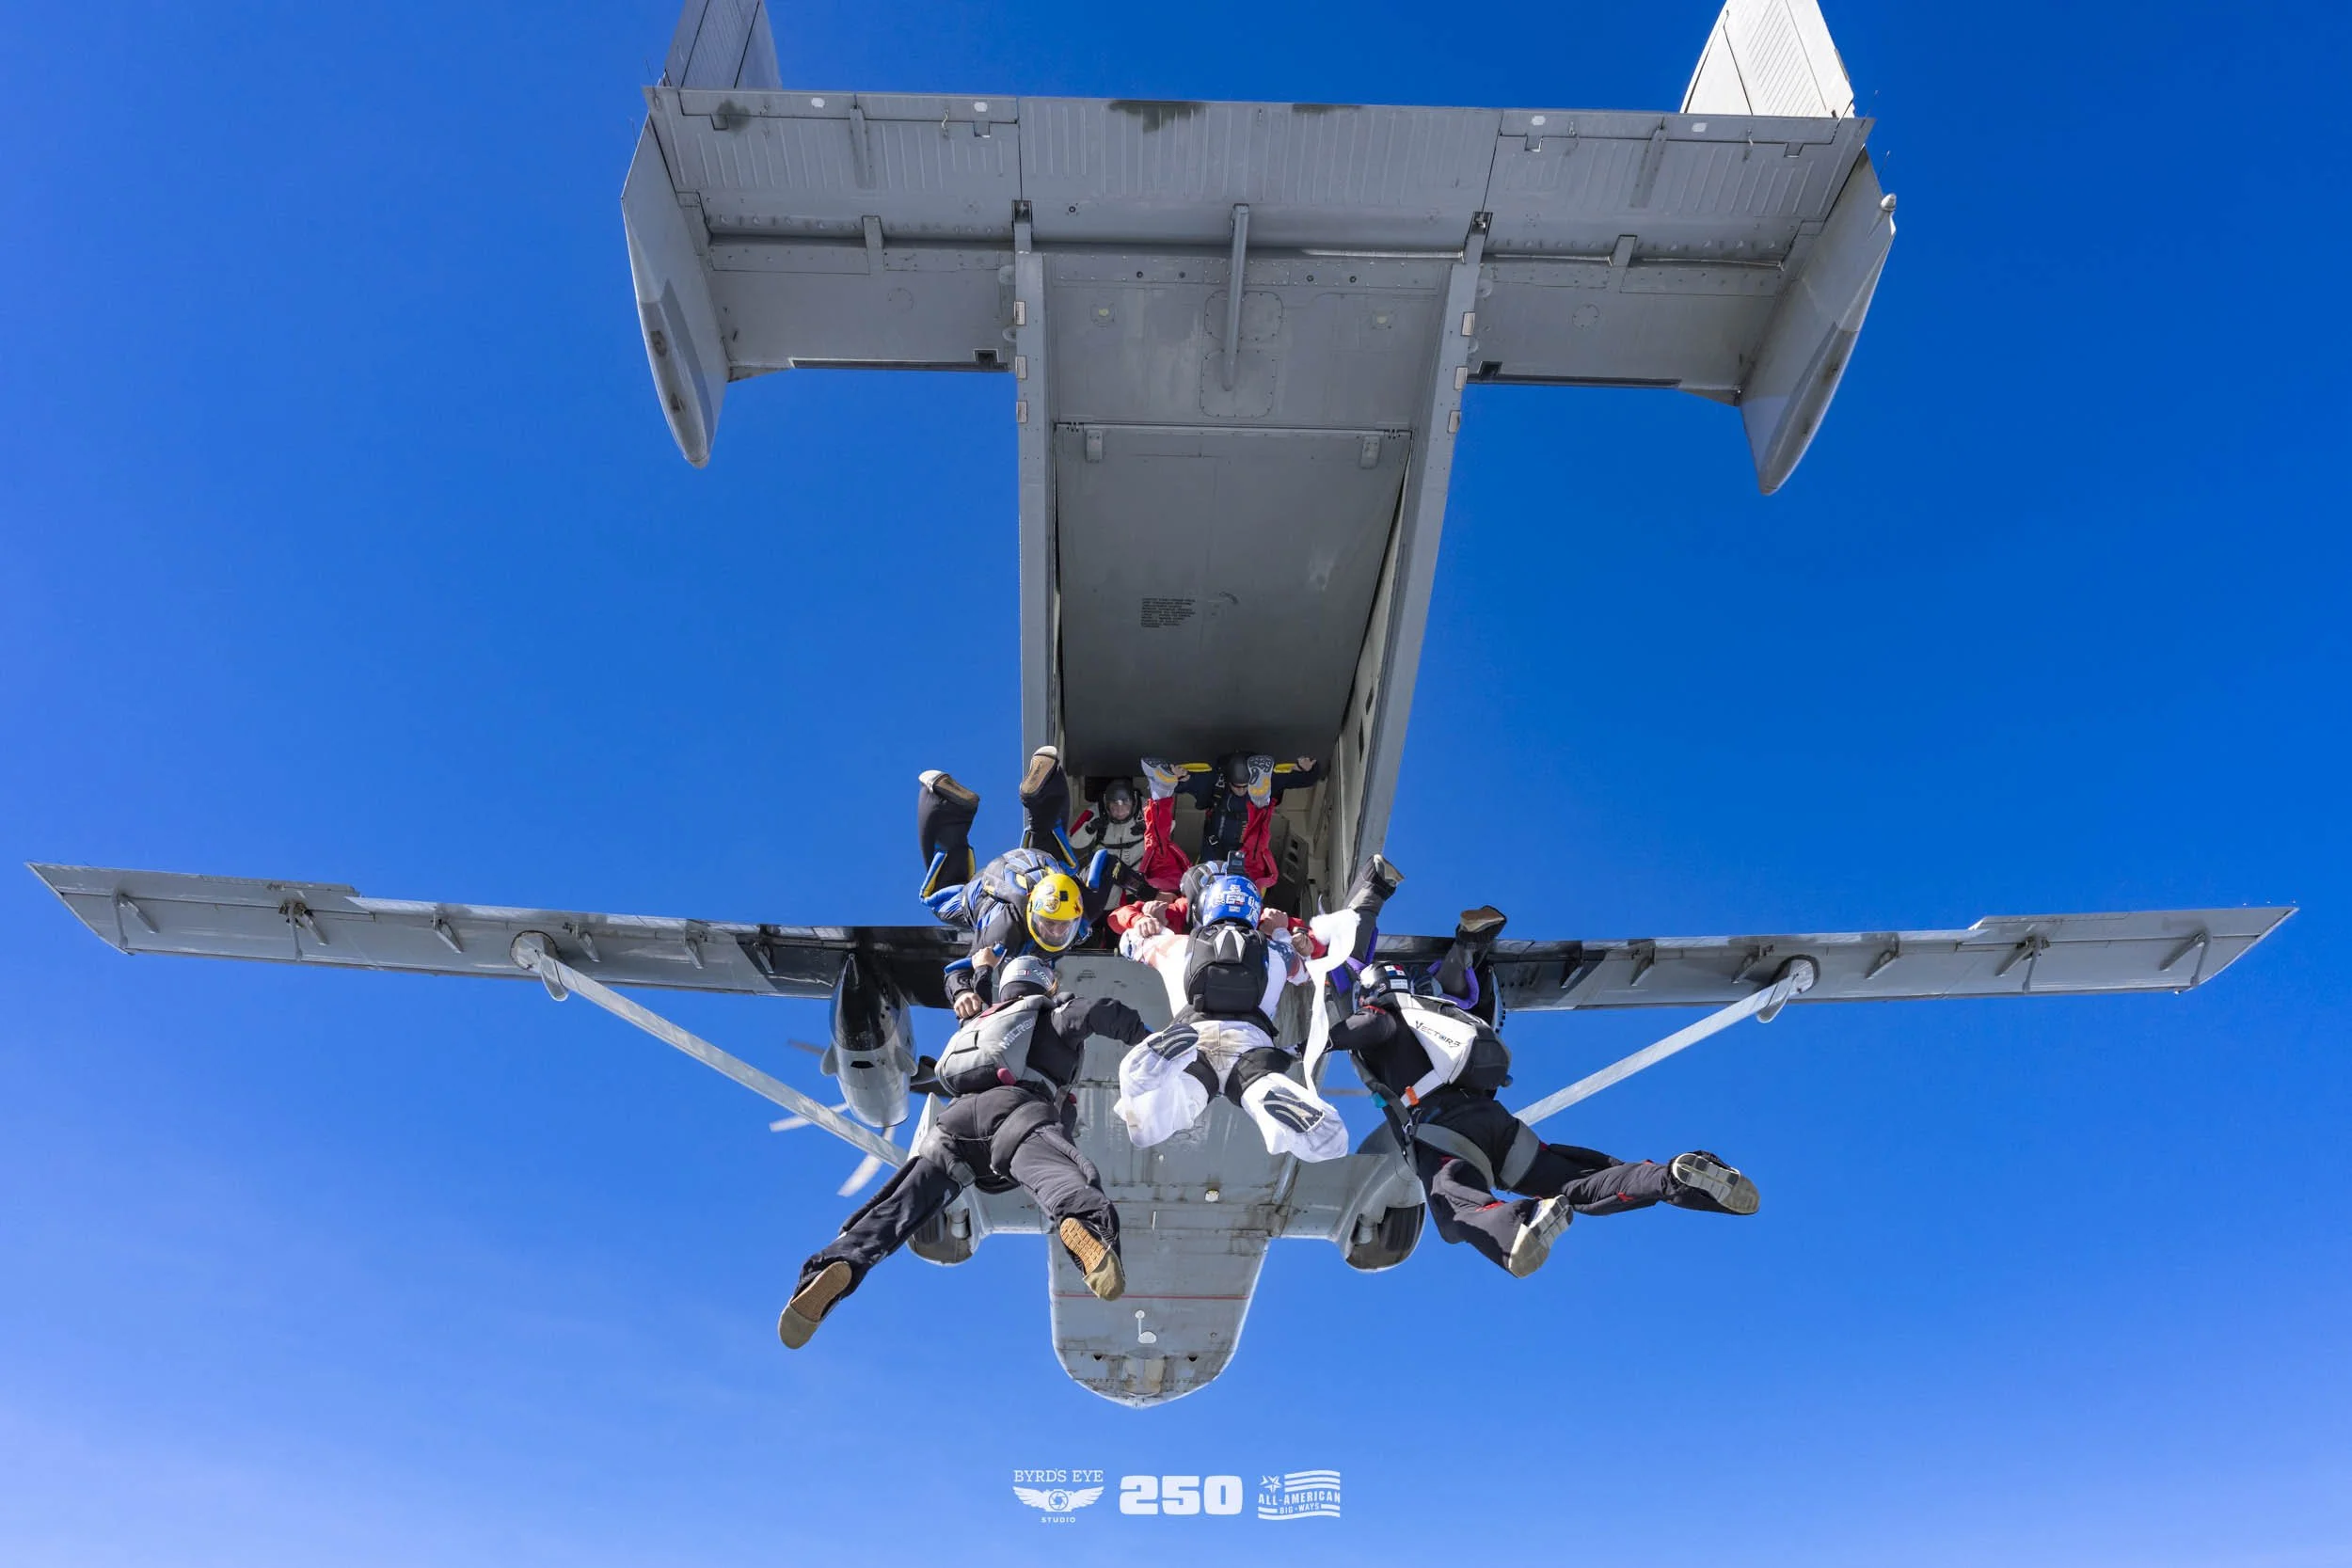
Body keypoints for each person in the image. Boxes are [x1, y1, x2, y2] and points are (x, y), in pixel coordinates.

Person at [779, 956, 1151, 1348]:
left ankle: (840, 1261)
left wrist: (966, 976)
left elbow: (957, 975)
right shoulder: (1054, 1013)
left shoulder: (980, 1016)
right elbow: (1102, 1012)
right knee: (1062, 1178)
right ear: (1048, 986)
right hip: (1016, 1114)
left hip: (952, 1127)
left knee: (897, 1207)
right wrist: (1148, 1038)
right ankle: (1085, 1225)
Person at [1315, 959, 1760, 1278]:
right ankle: (1674, 1177)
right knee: (1578, 1181)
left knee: (1455, 1210)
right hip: (1495, 1123)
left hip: (1443, 1129)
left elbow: (1367, 1026)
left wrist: (1314, 1046)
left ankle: (1516, 1228)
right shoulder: (1431, 1010)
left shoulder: (1382, 1015)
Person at [1110, 855, 1396, 1164]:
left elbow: (1129, 943)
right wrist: (1286, 933)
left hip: (1193, 1041)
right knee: (1328, 1142)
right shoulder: (1277, 951)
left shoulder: (1176, 946)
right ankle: (1310, 1124)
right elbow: (1305, 971)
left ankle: (1146, 1069)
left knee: (1150, 1126)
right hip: (1250, 1049)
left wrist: (1142, 924)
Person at [917, 748, 1121, 1019]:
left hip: (1010, 879)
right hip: (1035, 869)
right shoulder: (1081, 912)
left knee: (941, 898)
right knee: (1051, 845)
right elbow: (1105, 865)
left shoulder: (1003, 934)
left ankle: (948, 805)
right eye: (1053, 924)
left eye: (1059, 925)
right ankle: (953, 802)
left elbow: (959, 972)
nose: (1057, 932)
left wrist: (964, 992)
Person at [1134, 752, 1325, 894]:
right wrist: (1181, 777)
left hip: (1236, 846)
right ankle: (1163, 788)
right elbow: (1194, 783)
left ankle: (1162, 791)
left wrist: (1307, 770)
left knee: (1185, 876)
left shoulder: (1267, 779)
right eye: (1237, 786)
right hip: (1218, 845)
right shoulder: (1216, 781)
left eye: (1245, 786)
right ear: (1229, 781)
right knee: (1253, 872)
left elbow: (1298, 779)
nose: (1241, 790)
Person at [1068, 777, 1147, 896]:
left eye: (1125, 804)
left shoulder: (1146, 807)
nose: (1120, 812)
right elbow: (1073, 841)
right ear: (1107, 803)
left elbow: (1169, 825)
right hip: (1107, 879)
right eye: (1114, 806)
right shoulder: (1095, 812)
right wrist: (1089, 829)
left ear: (1133, 801)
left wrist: (1148, 828)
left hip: (1137, 876)